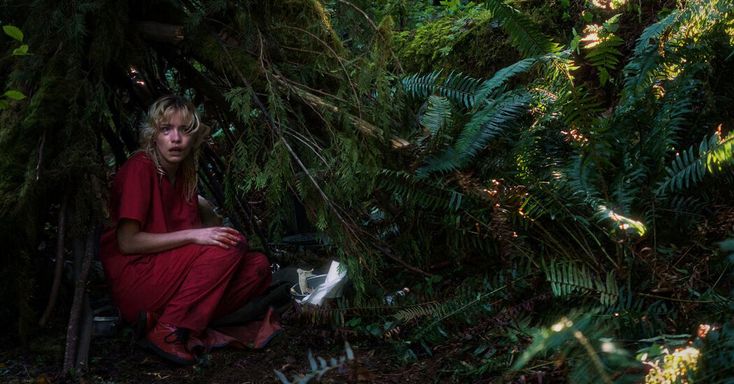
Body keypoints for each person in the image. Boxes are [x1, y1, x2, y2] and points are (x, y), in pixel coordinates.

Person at [100, 95, 276, 365]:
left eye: (184, 130)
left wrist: (205, 213)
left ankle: (171, 317)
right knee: (230, 246)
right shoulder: (141, 167)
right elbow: (127, 242)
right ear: (153, 136)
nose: (175, 138)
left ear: (193, 137)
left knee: (258, 266)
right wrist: (194, 235)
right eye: (165, 129)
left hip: (172, 280)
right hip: (139, 277)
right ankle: (168, 329)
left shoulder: (185, 174)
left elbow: (204, 247)